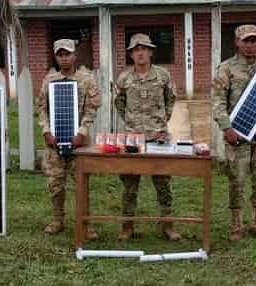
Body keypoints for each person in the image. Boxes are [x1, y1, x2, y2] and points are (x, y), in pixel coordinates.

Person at [115, 33, 181, 241]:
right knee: (129, 185)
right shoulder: (124, 78)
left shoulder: (163, 75)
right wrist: (133, 124)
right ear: (131, 54)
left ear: (151, 52)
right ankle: (127, 227)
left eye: (144, 49)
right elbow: (120, 104)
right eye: (136, 49)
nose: (140, 53)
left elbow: (171, 100)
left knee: (163, 184)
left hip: (158, 136)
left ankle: (167, 226)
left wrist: (160, 122)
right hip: (133, 139)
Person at [212, 24, 256, 241]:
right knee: (237, 180)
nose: (250, 45)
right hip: (237, 135)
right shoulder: (226, 68)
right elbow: (217, 101)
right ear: (237, 42)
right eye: (245, 41)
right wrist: (227, 128)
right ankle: (236, 224)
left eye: (253, 41)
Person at [36, 39, 101, 240]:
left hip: (79, 141)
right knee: (55, 182)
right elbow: (42, 108)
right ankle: (58, 219)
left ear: (75, 55)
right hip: (54, 141)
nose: (64, 58)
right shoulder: (49, 80)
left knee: (81, 182)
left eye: (68, 54)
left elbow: (91, 108)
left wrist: (82, 132)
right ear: (56, 57)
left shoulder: (86, 79)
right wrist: (46, 131)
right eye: (60, 54)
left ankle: (86, 223)